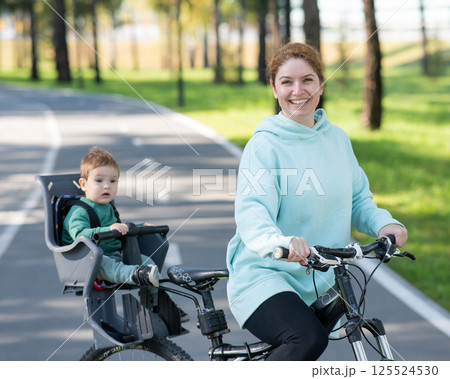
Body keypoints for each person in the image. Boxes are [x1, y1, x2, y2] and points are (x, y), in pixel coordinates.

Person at [226, 42, 407, 361]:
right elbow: (253, 214)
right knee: (305, 340)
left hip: (323, 273)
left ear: (321, 84)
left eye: (308, 80)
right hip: (267, 274)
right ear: (273, 88)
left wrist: (384, 223)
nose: (298, 90)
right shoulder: (263, 147)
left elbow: (358, 200)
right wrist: (279, 242)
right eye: (286, 82)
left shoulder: (337, 139)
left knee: (367, 330)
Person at [62, 146, 159, 288]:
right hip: (89, 260)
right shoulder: (79, 210)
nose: (107, 186)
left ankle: (162, 301)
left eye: (112, 181)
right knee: (108, 265)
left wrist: (139, 227)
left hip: (115, 253)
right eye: (99, 181)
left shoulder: (108, 206)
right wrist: (109, 228)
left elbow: (120, 229)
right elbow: (80, 236)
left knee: (147, 262)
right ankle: (138, 275)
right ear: (83, 184)